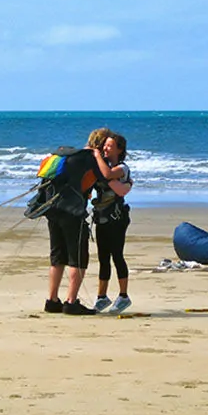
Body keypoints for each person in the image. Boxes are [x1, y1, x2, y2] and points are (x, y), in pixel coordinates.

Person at [42, 129, 109, 316]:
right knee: (77, 258)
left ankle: (52, 300)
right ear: (101, 145)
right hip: (72, 213)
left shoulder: (70, 157)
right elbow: (105, 177)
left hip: (53, 210)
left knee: (57, 256)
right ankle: (71, 302)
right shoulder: (91, 158)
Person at [90, 133, 133, 313]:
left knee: (117, 256)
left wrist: (96, 155)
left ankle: (123, 296)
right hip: (101, 217)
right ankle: (102, 297)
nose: (105, 149)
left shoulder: (122, 168)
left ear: (119, 149)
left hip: (117, 218)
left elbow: (108, 175)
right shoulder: (103, 165)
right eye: (104, 146)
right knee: (103, 258)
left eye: (109, 146)